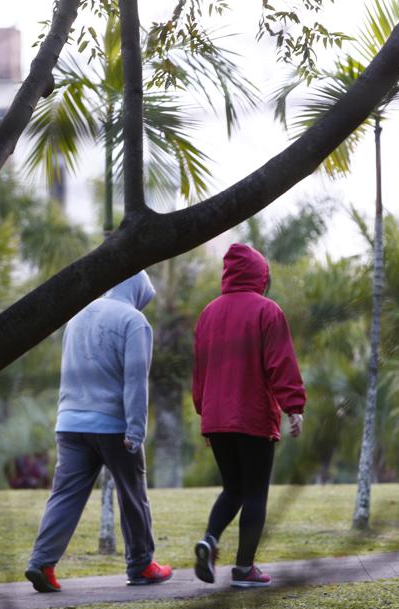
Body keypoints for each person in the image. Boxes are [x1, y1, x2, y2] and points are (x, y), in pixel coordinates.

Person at [25, 271, 172, 591]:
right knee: (133, 494)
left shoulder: (78, 316)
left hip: (70, 422)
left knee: (64, 495)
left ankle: (42, 563)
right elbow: (135, 380)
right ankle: (142, 564)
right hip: (113, 425)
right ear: (137, 291)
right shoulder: (134, 321)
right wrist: (136, 429)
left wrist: (65, 415)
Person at [191, 243, 306, 587]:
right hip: (253, 416)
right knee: (255, 492)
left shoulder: (208, 313)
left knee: (233, 488)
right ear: (261, 275)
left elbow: (200, 371)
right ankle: (243, 569)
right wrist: (294, 407)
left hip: (217, 418)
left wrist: (204, 412)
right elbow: (280, 363)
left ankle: (210, 539)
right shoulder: (267, 311)